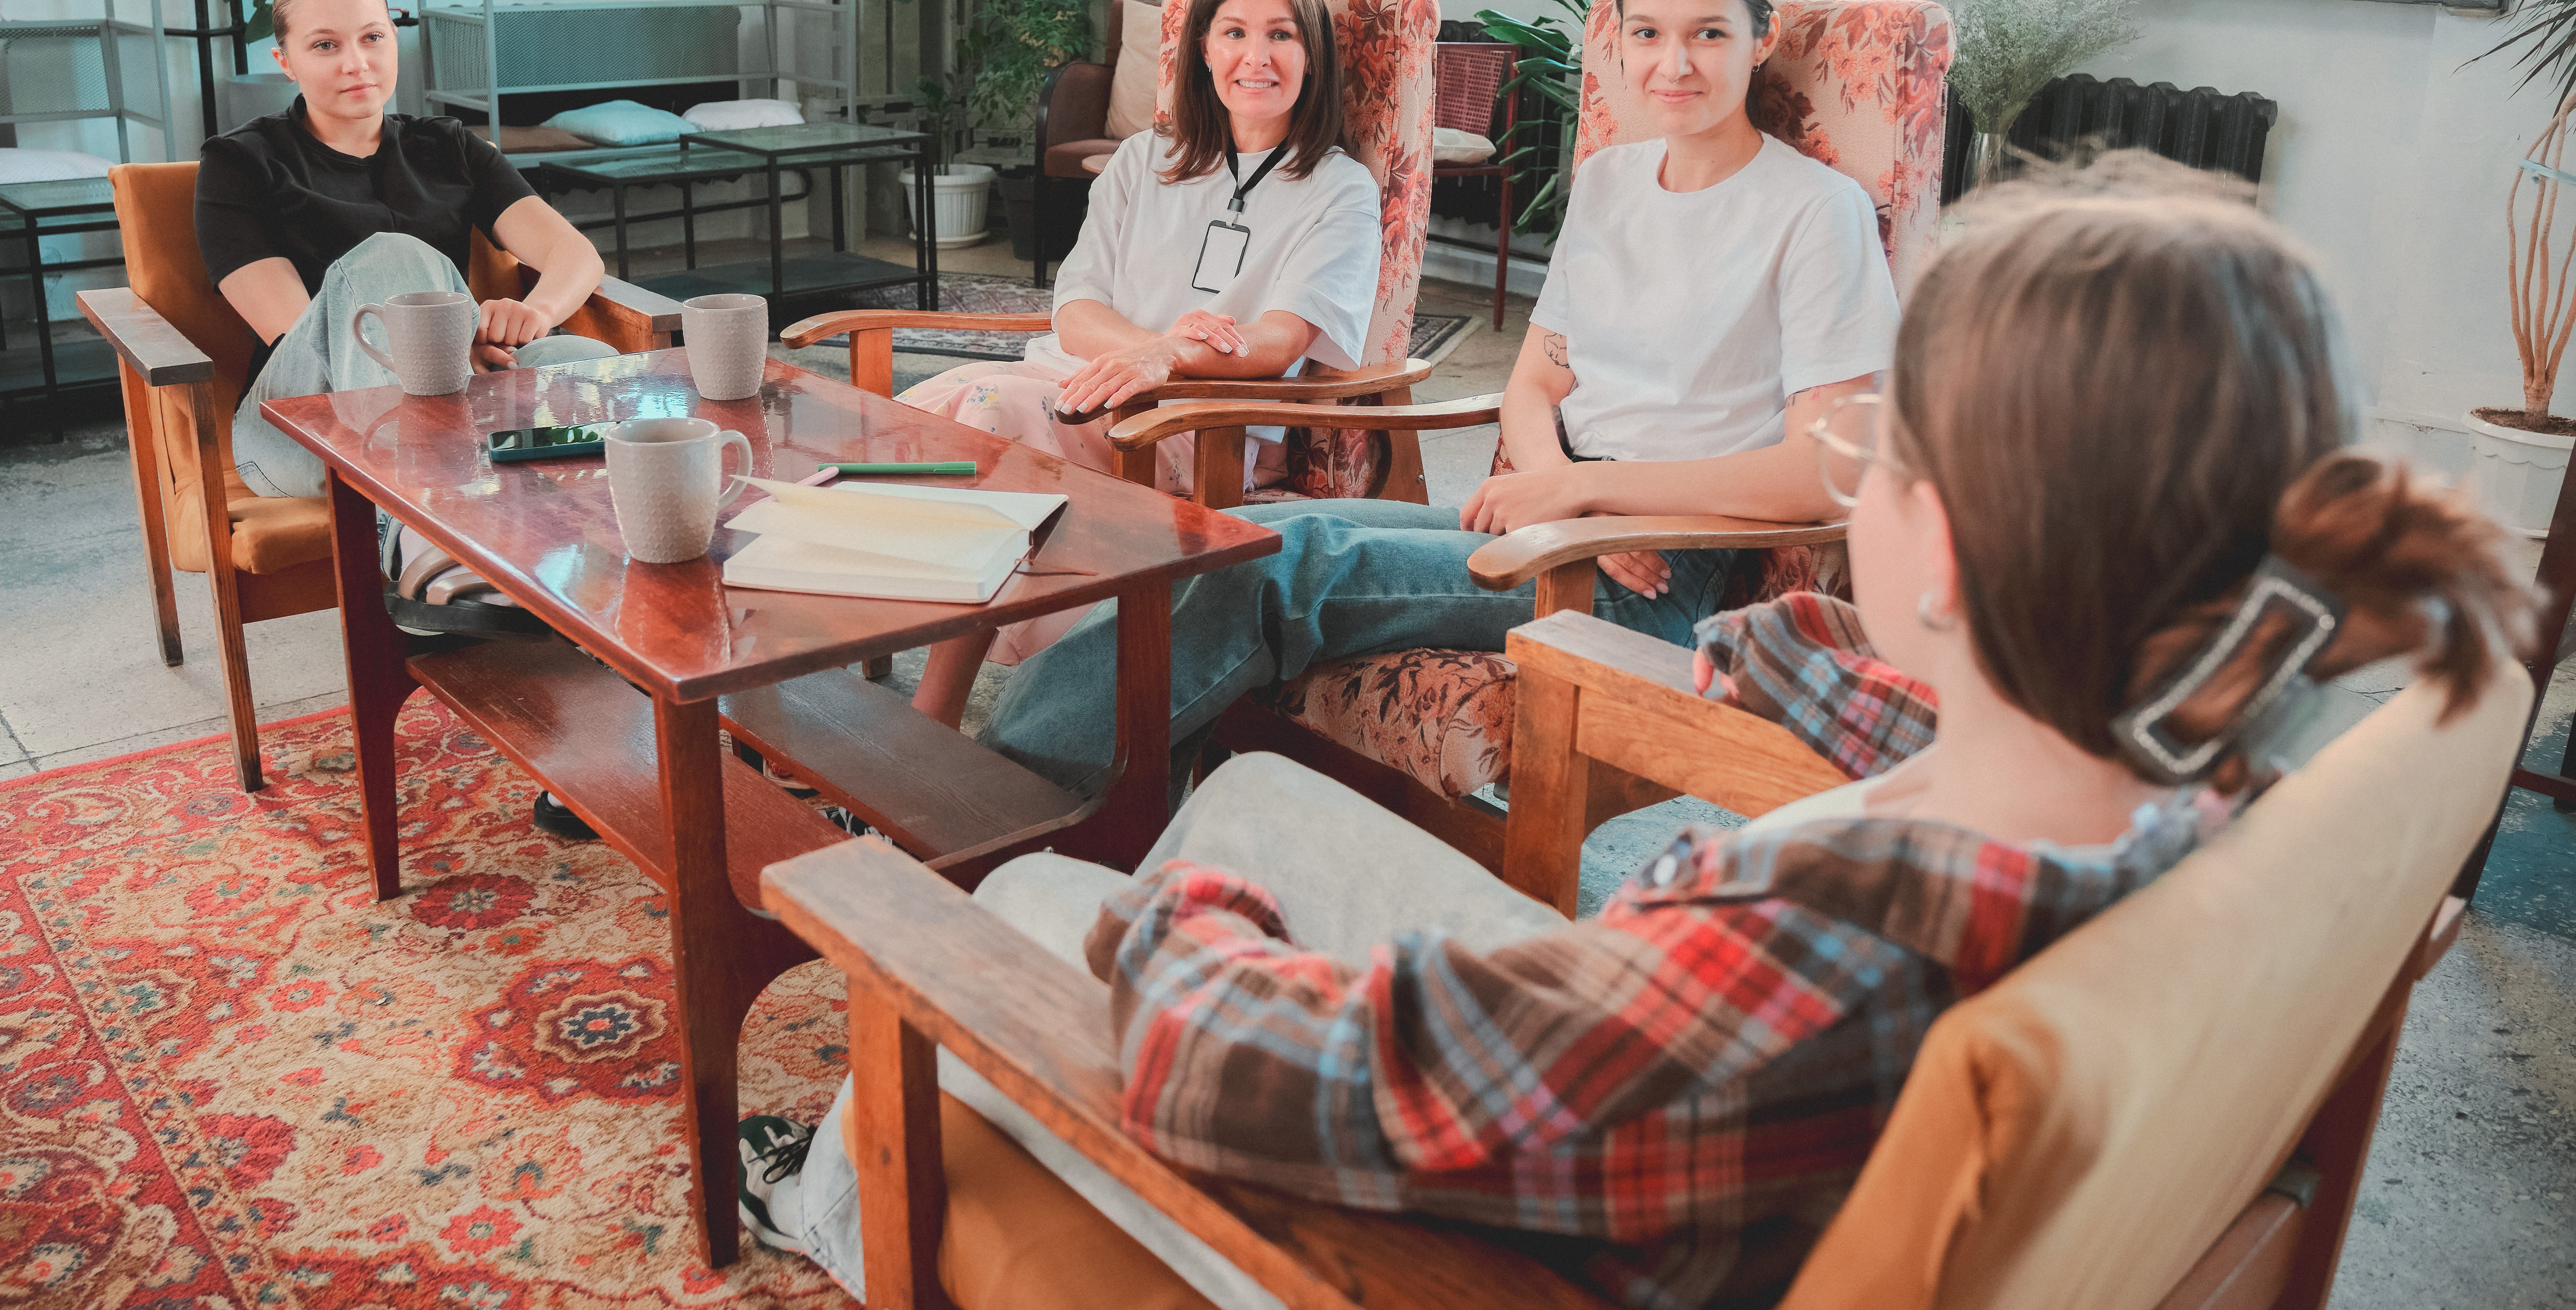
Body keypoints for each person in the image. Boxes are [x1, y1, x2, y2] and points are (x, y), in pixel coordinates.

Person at [735, 157, 2531, 1307]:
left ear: (1956, 551)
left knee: (1039, 911)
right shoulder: (2185, 765)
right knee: (1266, 785)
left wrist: (1177, 922)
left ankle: (844, 1213)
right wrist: (1779, 652)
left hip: (1512, 1234)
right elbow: (1911, 710)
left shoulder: (1828, 948)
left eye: (1869, 455)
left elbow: (1231, 1063)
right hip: (1667, 1124)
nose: (1853, 483)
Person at [973, 0, 1899, 794]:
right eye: (1649, 32)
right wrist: (1552, 483)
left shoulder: (1815, 212)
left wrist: (1585, 495)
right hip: (1553, 520)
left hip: (1657, 565)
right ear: (1618, 35)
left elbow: (1825, 472)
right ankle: (1106, 806)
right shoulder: (1612, 181)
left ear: (1761, 36)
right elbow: (1535, 382)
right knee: (1250, 540)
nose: (1673, 64)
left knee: (1285, 570)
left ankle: (1008, 795)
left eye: (1707, 34)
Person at [895, 0, 1382, 727]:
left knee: (985, 421)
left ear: (1313, 53)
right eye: (1233, 32)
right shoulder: (1141, 161)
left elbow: (1279, 340)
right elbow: (1074, 307)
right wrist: (1142, 350)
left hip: (1203, 423)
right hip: (1074, 382)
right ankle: (829, 688)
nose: (1254, 56)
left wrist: (1169, 360)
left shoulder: (1338, 191)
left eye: (1281, 34)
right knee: (905, 427)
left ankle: (933, 717)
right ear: (1201, 49)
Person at [196, 0, 617, 837]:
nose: (355, 61)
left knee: (582, 358)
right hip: (306, 429)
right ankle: (415, 533)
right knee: (393, 264)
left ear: (394, 43)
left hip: (456, 403)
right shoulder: (241, 163)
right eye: (325, 44)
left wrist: (528, 312)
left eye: (372, 37)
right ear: (285, 60)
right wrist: (450, 331)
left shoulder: (448, 146)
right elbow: (286, 325)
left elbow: (575, 256)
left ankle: (604, 700)